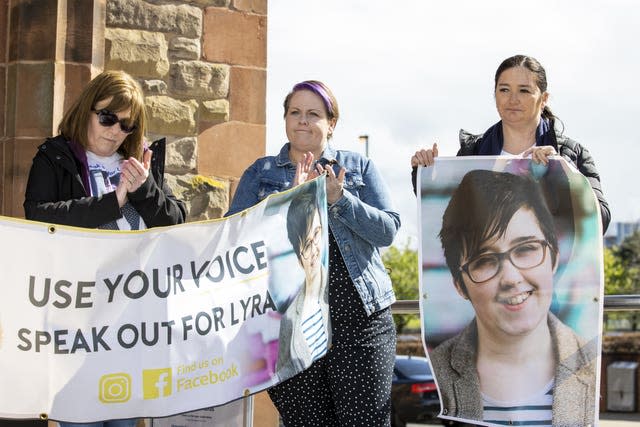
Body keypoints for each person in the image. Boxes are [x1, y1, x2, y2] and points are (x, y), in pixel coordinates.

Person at [226, 80, 400, 426]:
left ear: (331, 123)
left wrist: (340, 200)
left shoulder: (357, 167)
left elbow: (388, 231)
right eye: (295, 112)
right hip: (291, 329)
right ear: (285, 119)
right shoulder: (261, 174)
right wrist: (289, 204)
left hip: (361, 325)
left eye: (313, 114)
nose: (302, 121)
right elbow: (235, 244)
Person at [23, 70, 186, 427]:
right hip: (77, 326)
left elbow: (176, 225)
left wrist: (144, 190)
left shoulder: (144, 163)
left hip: (131, 330)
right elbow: (37, 218)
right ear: (87, 109)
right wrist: (111, 203)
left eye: (126, 125)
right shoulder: (54, 156)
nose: (115, 131)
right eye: (108, 117)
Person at [429, 169, 597, 426]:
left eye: (526, 249)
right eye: (484, 261)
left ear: (553, 257)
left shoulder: (591, 361)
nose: (511, 277)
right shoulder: (436, 369)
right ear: (459, 286)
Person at [410, 54, 610, 233]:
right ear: (495, 94)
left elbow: (601, 220)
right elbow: (445, 217)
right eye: (504, 89)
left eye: (524, 91)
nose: (513, 99)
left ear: (544, 99)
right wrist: (426, 174)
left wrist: (563, 174)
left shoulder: (571, 154)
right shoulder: (473, 152)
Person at [275, 182, 331, 382]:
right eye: (307, 244)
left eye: (317, 233)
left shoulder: (336, 292)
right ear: (298, 255)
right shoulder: (287, 320)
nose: (315, 248)